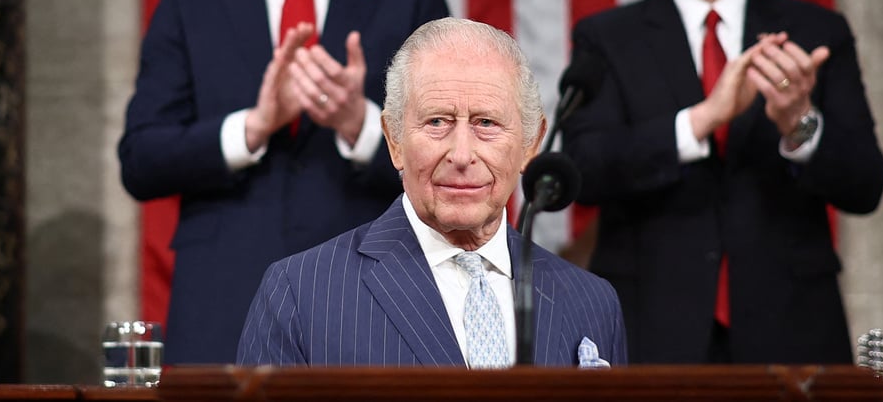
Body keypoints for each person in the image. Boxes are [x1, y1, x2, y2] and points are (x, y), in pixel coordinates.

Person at [118, 0, 449, 365]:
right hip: (222, 303)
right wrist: (252, 126)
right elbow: (141, 159)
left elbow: (450, 154)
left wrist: (361, 123)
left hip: (375, 296)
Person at [560, 0, 883, 364]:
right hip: (651, 328)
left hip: (792, 329)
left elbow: (866, 186)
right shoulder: (607, 37)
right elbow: (584, 169)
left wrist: (799, 124)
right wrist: (702, 120)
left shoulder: (815, 30)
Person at [236, 18, 628, 367]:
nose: (461, 155)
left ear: (530, 143)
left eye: (486, 123)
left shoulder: (591, 302)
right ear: (394, 140)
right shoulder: (301, 292)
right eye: (437, 121)